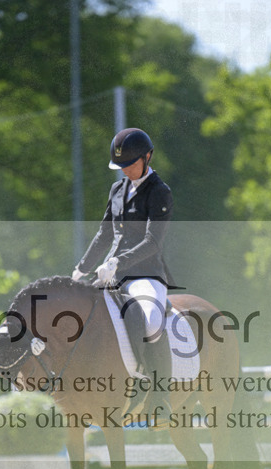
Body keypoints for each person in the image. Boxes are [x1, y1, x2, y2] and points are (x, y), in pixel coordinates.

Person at [73, 127, 174, 429]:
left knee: (151, 319)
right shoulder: (118, 190)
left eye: (131, 164)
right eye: (121, 166)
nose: (126, 170)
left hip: (145, 273)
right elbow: (105, 233)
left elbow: (153, 241)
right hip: (110, 271)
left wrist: (117, 262)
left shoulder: (160, 192)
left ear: (147, 157)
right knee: (82, 313)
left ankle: (159, 395)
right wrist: (81, 269)